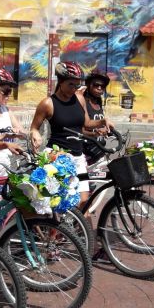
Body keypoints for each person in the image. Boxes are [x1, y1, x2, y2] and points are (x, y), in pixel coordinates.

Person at [30, 61, 113, 206]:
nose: (74, 89)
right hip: (57, 157)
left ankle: (75, 226)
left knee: (83, 200)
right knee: (57, 202)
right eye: (70, 84)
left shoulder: (80, 99)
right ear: (60, 81)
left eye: (77, 85)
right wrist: (35, 135)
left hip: (78, 156)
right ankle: (56, 228)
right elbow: (34, 127)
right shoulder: (48, 104)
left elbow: (86, 123)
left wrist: (103, 121)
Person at [77, 69, 110, 165]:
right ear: (88, 85)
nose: (99, 88)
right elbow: (79, 130)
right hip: (87, 152)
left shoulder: (98, 102)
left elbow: (98, 123)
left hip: (100, 150)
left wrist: (106, 129)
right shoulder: (83, 102)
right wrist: (95, 133)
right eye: (96, 85)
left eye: (102, 86)